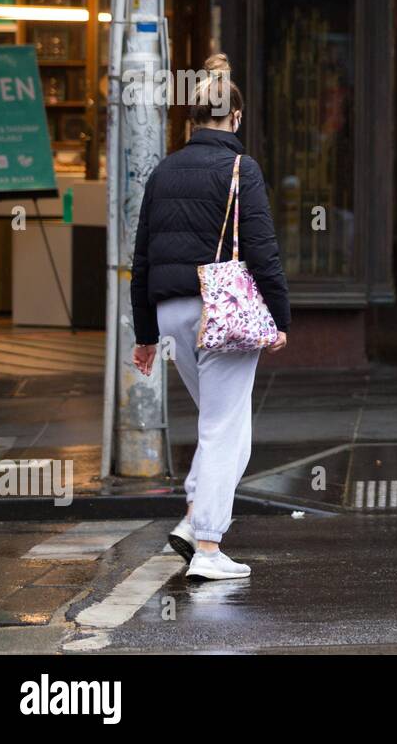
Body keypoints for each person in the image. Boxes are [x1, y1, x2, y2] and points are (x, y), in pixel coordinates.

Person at [130, 53, 291, 581]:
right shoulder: (242, 169)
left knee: (222, 423)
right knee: (225, 429)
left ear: (191, 120)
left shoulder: (162, 170)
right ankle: (207, 545)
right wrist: (280, 316)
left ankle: (189, 521)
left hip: (172, 312)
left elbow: (143, 257)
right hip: (222, 313)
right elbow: (263, 251)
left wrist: (146, 334)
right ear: (236, 119)